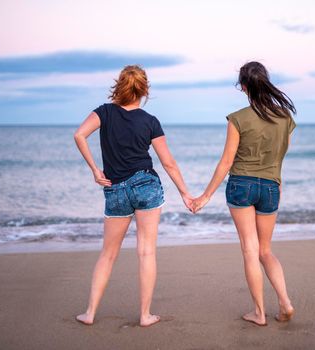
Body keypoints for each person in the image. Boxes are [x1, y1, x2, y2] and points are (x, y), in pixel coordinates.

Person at [73, 65, 193, 327]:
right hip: (145, 184)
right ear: (144, 89)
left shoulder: (104, 112)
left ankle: (90, 313)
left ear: (120, 85)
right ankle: (145, 315)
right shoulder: (150, 120)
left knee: (108, 254)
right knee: (146, 252)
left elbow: (79, 135)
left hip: (115, 188)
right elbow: (168, 162)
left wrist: (95, 170)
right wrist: (185, 193)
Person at [192, 61, 296, 326]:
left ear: (244, 86)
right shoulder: (285, 118)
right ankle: (285, 302)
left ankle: (259, 314)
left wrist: (205, 196)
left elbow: (226, 162)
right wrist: (277, 183)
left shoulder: (238, 118)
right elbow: (280, 155)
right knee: (265, 251)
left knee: (250, 251)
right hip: (271, 186)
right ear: (266, 81)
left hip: (242, 185)